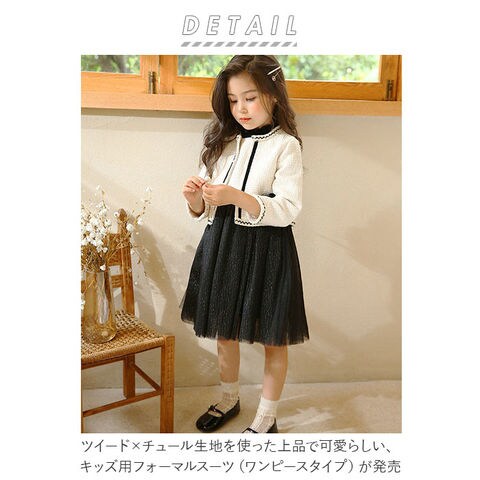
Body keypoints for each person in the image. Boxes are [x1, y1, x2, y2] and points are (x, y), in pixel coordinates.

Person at [181, 55, 309, 434]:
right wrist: (194, 199)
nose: (241, 109)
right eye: (234, 100)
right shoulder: (221, 143)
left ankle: (266, 417)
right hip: (222, 244)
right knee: (224, 331)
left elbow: (288, 208)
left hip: (269, 248)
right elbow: (205, 208)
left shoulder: (286, 146)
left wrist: (237, 197)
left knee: (273, 337)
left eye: (250, 98)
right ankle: (229, 398)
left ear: (273, 94)